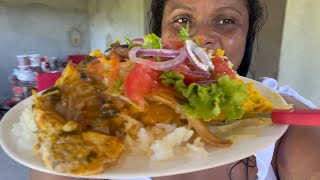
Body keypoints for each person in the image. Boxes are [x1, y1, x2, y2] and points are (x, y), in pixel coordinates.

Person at [31, 0, 320, 180]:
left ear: (247, 35)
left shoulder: (277, 108)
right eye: (182, 20)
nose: (202, 36)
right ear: (158, 36)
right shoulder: (97, 115)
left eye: (227, 20)